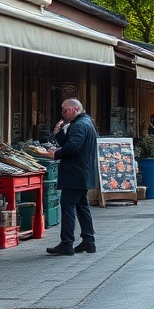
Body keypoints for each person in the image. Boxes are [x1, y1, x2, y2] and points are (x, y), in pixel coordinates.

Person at [40, 98, 97, 256]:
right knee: (81, 206)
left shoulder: (79, 125)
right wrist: (58, 134)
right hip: (81, 173)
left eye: (65, 110)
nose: (63, 114)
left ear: (75, 109)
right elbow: (70, 143)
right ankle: (88, 241)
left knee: (67, 206)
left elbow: (73, 147)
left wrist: (55, 154)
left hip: (75, 174)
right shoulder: (85, 122)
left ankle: (67, 243)